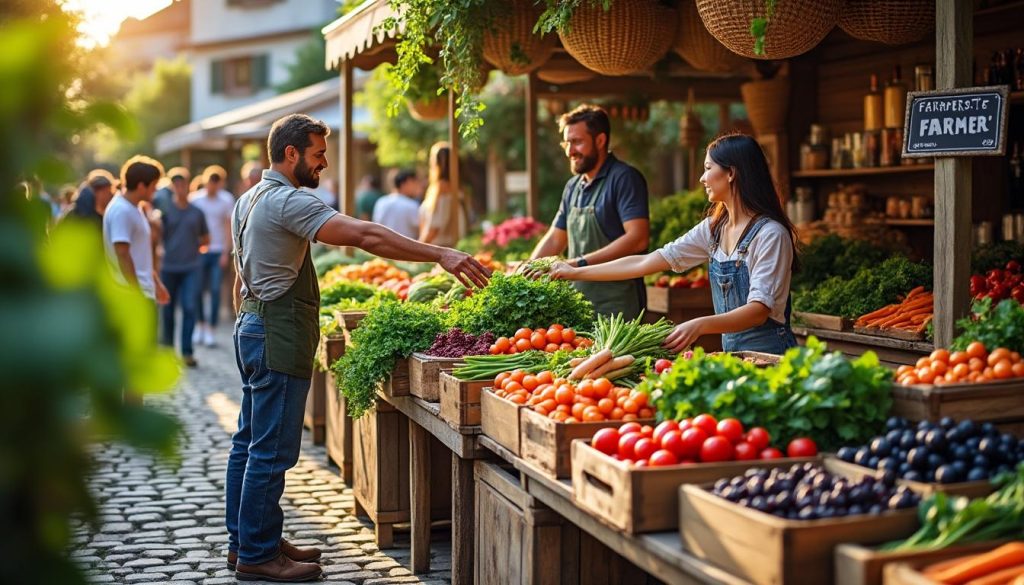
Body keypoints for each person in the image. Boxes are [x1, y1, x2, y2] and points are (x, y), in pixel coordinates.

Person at [226, 113, 490, 582]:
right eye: (318, 154)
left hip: (251, 325)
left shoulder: (248, 199)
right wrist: (441, 254)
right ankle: (257, 553)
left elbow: (238, 274)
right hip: (276, 334)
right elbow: (366, 236)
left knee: (248, 442)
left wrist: (248, 322)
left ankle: (249, 538)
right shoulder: (288, 201)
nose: (323, 163)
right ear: (291, 155)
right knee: (270, 450)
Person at [548, 133, 799, 354]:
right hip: (736, 355)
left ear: (731, 173)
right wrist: (575, 271)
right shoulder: (714, 229)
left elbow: (758, 310)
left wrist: (699, 324)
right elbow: (646, 262)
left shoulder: (770, 235)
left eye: (708, 168)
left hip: (773, 356)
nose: (702, 178)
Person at [525, 104, 651, 320]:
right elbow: (556, 238)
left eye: (577, 142)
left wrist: (576, 264)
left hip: (618, 305)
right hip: (579, 303)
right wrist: (527, 269)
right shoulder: (573, 186)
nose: (570, 151)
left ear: (600, 141)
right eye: (567, 142)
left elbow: (638, 239)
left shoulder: (624, 178)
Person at [102, 155, 170, 307]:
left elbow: (139, 254)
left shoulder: (134, 207)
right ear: (141, 186)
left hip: (143, 291)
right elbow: (123, 254)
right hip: (131, 295)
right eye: (153, 185)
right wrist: (137, 295)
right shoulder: (122, 211)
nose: (155, 190)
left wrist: (156, 284)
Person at [158, 167, 209, 367]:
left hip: (191, 267)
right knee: (168, 310)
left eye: (183, 184)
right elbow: (156, 238)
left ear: (188, 185)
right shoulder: (164, 211)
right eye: (176, 184)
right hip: (168, 266)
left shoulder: (197, 212)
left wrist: (195, 250)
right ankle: (168, 351)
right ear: (173, 187)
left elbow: (206, 239)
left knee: (189, 307)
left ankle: (187, 352)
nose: (180, 188)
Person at [189, 165, 234, 347]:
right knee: (198, 289)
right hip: (200, 251)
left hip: (217, 251)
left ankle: (211, 329)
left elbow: (228, 226)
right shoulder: (196, 200)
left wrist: (226, 251)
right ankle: (200, 324)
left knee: (215, 290)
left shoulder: (226, 200)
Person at [419, 141, 463, 247]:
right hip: (449, 248)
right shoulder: (458, 188)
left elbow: (434, 228)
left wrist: (417, 249)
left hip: (439, 250)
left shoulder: (442, 188)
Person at [371, 169, 421, 239]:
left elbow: (376, 226)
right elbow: (419, 230)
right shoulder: (411, 205)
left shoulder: (381, 202)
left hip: (383, 247)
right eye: (415, 183)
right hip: (406, 248)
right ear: (407, 182)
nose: (417, 186)